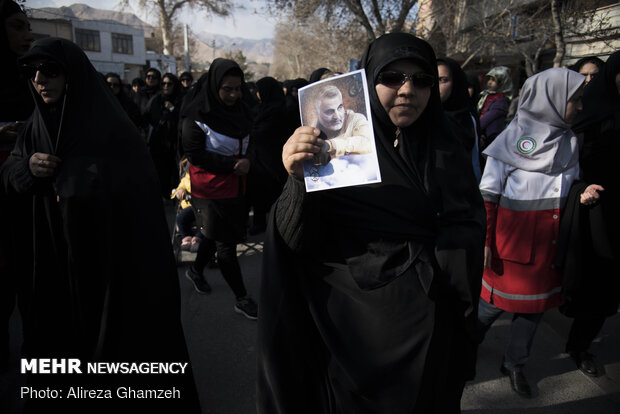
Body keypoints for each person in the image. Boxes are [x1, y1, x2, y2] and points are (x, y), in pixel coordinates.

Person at [257, 32, 485, 413]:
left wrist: (459, 326)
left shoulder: (448, 149)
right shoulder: (331, 152)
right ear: (367, 80)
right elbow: (296, 240)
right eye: (393, 77)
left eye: (422, 79)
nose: (408, 90)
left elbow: (466, 238)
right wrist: (297, 181)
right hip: (354, 342)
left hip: (433, 335)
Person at [0, 37, 200, 412]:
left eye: (51, 70)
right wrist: (27, 170)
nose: (40, 79)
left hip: (107, 271)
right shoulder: (33, 128)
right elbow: (11, 171)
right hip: (53, 267)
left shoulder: (113, 131)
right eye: (32, 72)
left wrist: (80, 187)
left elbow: (136, 203)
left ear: (73, 75)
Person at [477, 67, 596, 398]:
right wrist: (486, 242)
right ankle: (465, 345)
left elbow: (569, 185)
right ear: (552, 99)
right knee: (489, 307)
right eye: (577, 100)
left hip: (550, 247)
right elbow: (488, 197)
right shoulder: (511, 140)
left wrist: (583, 190)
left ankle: (514, 364)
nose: (581, 107)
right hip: (509, 247)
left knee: (533, 312)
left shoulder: (569, 141)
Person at [181, 58, 258, 320]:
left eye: (238, 88)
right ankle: (242, 298)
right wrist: (231, 164)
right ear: (215, 87)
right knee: (226, 245)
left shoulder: (244, 110)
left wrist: (249, 160)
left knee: (213, 237)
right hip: (209, 190)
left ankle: (195, 271)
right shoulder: (196, 116)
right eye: (228, 89)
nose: (234, 94)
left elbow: (253, 141)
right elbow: (194, 154)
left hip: (237, 187)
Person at [558, 50, 619, 377]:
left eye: (595, 76)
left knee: (608, 291)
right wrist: (581, 190)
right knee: (590, 282)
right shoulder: (583, 119)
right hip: (590, 211)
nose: (589, 83)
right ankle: (577, 343)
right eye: (585, 77)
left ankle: (581, 343)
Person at [0, 0, 34, 374]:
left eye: (27, 27)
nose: (26, 36)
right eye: (15, 26)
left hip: (24, 201)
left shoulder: (27, 78)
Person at [246, 76, 290, 235]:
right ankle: (260, 223)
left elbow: (262, 132)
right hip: (259, 160)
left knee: (273, 194)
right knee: (258, 194)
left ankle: (277, 225)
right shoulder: (261, 108)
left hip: (273, 160)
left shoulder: (279, 110)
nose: (257, 93)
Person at [437, 57, 482, 182]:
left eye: (443, 80)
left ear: (455, 82)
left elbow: (474, 162)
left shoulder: (466, 118)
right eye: (431, 79)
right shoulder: (417, 115)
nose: (436, 85)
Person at [311, 84, 373, 166]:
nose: (337, 116)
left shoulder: (356, 119)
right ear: (317, 113)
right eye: (329, 111)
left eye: (340, 107)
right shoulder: (311, 130)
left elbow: (368, 143)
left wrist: (332, 145)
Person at [144, 72, 183, 197]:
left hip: (175, 142)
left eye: (169, 84)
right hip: (159, 143)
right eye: (163, 83)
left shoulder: (181, 99)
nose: (166, 86)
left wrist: (172, 109)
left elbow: (183, 118)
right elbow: (147, 117)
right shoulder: (156, 100)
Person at [477, 66, 512, 151]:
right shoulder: (485, 96)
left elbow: (488, 118)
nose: (489, 82)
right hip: (482, 133)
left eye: (493, 80)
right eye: (489, 79)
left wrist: (475, 129)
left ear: (502, 82)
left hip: (491, 138)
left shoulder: (501, 101)